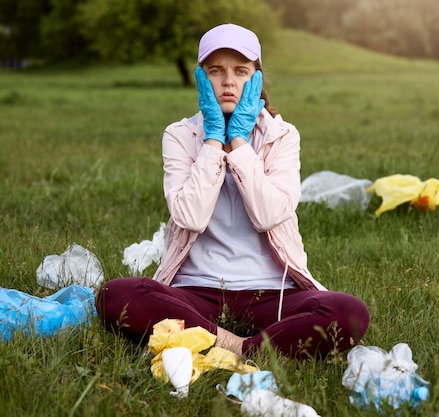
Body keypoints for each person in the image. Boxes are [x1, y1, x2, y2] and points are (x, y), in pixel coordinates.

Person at [96, 23, 370, 359]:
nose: (228, 81)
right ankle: (252, 349)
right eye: (216, 71)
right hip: (196, 291)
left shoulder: (281, 135)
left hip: (273, 293)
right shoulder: (180, 135)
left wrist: (239, 142)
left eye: (241, 71)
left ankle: (226, 347)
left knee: (349, 312)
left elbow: (270, 215)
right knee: (115, 294)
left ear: (256, 78)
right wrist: (212, 138)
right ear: (201, 78)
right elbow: (190, 217)